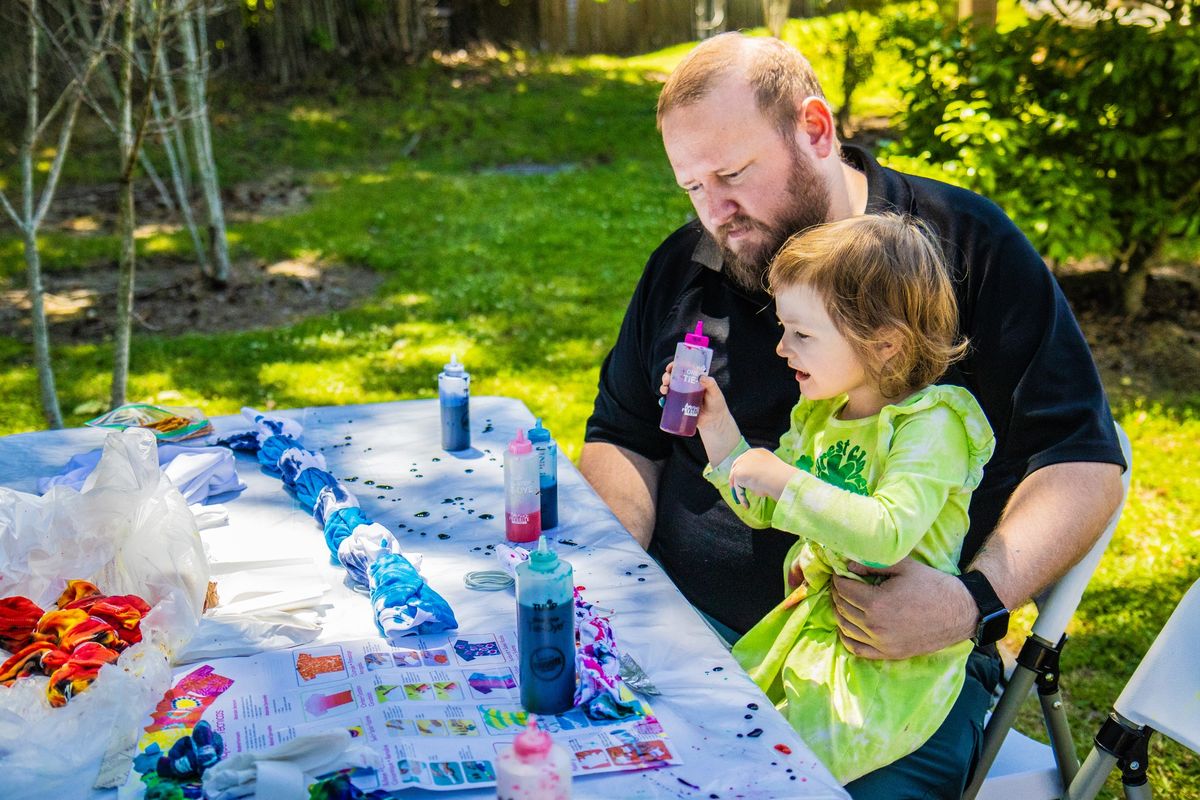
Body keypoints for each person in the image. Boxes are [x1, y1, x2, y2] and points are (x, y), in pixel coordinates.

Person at [580, 31, 1126, 797]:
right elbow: (623, 437)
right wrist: (614, 593)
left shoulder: (961, 251)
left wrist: (967, 602)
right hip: (689, 632)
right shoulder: (688, 263)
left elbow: (1081, 462)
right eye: (693, 187)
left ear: (814, 128)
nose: (717, 215)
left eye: (733, 175)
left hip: (893, 671)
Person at [668, 213, 994, 784]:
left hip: (888, 666)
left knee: (768, 773)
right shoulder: (823, 413)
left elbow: (886, 532)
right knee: (706, 738)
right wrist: (721, 435)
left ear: (884, 344)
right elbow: (766, 509)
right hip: (813, 638)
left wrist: (782, 478)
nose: (780, 347)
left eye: (802, 334)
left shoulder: (931, 424)